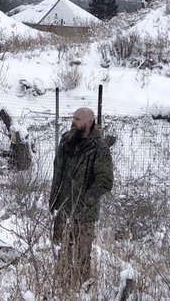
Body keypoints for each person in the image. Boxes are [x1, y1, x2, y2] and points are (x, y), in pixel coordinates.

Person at [49, 107, 114, 289]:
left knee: (81, 257)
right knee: (62, 254)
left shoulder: (99, 149)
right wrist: (54, 201)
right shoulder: (66, 141)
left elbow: (105, 181)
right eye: (73, 117)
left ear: (88, 122)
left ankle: (81, 292)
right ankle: (62, 290)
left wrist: (84, 202)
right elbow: (58, 172)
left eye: (77, 119)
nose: (73, 121)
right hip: (62, 210)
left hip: (83, 216)